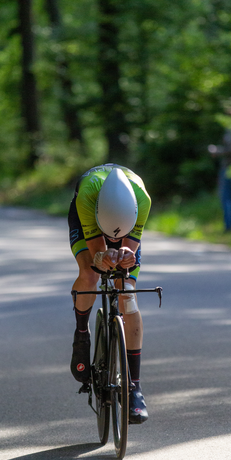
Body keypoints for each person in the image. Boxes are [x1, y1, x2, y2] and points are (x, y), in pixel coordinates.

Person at [68, 164, 152, 424]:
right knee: (91, 273)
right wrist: (103, 256)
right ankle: (82, 333)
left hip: (124, 219)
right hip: (88, 220)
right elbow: (97, 252)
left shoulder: (142, 199)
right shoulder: (87, 195)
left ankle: (134, 387)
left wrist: (126, 255)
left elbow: (130, 246)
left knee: (126, 289)